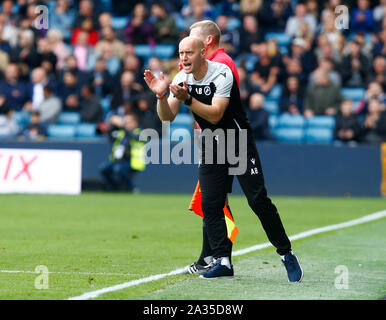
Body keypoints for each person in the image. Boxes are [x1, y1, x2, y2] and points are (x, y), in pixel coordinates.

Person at [144, 36, 303, 281]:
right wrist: (161, 96)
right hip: (210, 143)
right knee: (210, 203)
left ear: (203, 53)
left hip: (236, 140)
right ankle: (223, 261)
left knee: (257, 200)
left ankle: (286, 253)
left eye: (189, 53)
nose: (184, 58)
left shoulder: (222, 73)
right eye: (181, 53)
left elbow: (216, 114)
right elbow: (168, 117)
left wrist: (188, 99)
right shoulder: (181, 78)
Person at [99, 113, 145, 192]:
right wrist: (111, 122)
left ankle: (132, 188)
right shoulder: (122, 132)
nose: (126, 124)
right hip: (118, 160)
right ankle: (112, 188)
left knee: (119, 169)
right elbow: (109, 135)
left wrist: (123, 126)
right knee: (103, 168)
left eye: (128, 122)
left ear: (135, 123)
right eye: (125, 122)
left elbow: (133, 138)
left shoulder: (140, 132)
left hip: (132, 161)